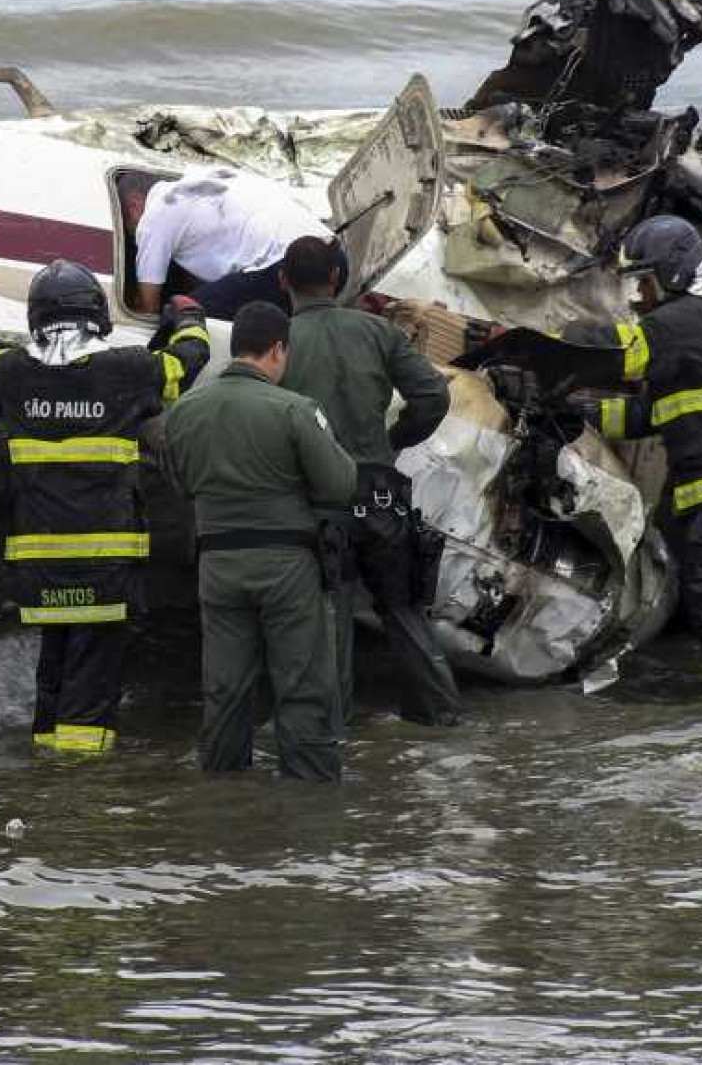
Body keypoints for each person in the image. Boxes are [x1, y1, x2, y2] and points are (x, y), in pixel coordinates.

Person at [0, 261, 211, 756]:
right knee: (92, 681)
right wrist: (188, 314)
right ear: (97, 314)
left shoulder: (11, 374)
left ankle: (46, 763)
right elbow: (188, 360)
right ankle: (77, 794)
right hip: (104, 562)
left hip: (41, 562)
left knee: (55, 664)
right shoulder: (128, 371)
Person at [571, 215, 702, 694]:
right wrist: (577, 412)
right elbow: (647, 416)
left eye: (642, 281)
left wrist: (540, 338)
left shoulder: (676, 322)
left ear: (671, 275)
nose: (636, 296)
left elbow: (615, 354)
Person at [162, 300, 357, 781]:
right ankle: (309, 800)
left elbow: (180, 484)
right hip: (286, 566)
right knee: (302, 683)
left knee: (226, 687)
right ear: (277, 349)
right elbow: (339, 484)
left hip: (217, 566)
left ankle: (224, 797)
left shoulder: (184, 412)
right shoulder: (294, 409)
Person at [275, 235, 462, 727]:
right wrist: (392, 441)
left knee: (330, 618)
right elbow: (433, 398)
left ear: (283, 282)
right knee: (403, 612)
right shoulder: (378, 332)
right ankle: (443, 722)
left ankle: (330, 736)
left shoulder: (279, 344)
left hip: (319, 506)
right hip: (381, 498)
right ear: (336, 278)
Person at [122, 168, 332, 320]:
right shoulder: (203, 176)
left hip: (284, 266)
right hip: (331, 255)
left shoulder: (155, 214)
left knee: (182, 315)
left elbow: (148, 305)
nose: (134, 236)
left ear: (133, 206)